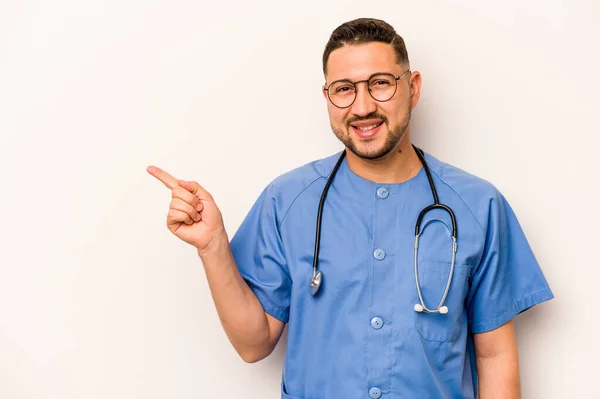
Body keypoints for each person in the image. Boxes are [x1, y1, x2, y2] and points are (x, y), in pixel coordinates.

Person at [147, 17, 553, 399]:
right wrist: (213, 245)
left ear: (412, 88)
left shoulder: (478, 206)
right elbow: (254, 345)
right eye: (344, 88)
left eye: (380, 83)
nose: (362, 107)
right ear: (327, 97)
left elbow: (495, 356)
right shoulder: (287, 200)